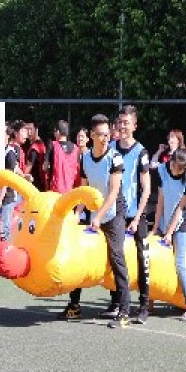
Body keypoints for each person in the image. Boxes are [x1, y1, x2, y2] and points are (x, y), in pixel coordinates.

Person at [60, 114, 130, 329]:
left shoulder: (115, 158)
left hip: (114, 213)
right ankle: (74, 305)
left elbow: (114, 192)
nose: (105, 139)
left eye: (107, 135)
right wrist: (77, 213)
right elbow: (84, 190)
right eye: (100, 135)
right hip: (94, 213)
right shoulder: (85, 158)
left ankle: (124, 311)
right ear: (92, 136)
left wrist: (98, 217)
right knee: (79, 254)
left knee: (116, 257)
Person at [111, 105, 151, 324]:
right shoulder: (110, 148)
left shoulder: (141, 152)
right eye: (120, 122)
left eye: (126, 122)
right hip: (114, 213)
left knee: (142, 258)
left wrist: (136, 218)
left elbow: (146, 188)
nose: (122, 126)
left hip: (135, 214)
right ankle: (116, 302)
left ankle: (144, 305)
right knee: (114, 256)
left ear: (135, 126)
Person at [151, 148, 186, 321]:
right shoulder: (162, 170)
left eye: (179, 169)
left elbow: (180, 208)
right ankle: (148, 303)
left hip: (180, 224)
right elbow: (160, 201)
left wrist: (170, 233)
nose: (175, 170)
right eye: (173, 165)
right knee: (153, 260)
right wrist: (155, 227)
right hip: (163, 220)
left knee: (180, 263)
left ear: (184, 168)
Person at [46, 120, 79, 193]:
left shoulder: (52, 145)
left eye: (54, 131)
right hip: (71, 190)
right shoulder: (76, 148)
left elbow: (44, 167)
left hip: (55, 190)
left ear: (58, 132)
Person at [24, 121, 48, 192]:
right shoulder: (42, 143)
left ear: (36, 130)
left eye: (30, 129)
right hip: (43, 183)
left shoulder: (34, 148)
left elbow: (27, 169)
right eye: (27, 129)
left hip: (36, 185)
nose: (29, 133)